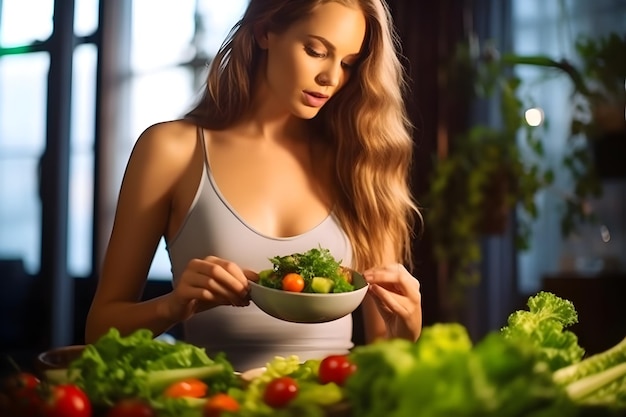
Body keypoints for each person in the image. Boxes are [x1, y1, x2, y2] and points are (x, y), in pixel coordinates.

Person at [86, 0, 423, 371]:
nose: (331, 77)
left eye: (347, 63)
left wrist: (406, 326)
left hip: (329, 404)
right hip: (218, 404)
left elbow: (384, 348)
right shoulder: (172, 150)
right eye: (315, 50)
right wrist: (172, 305)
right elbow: (98, 332)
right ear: (265, 31)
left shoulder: (361, 164)